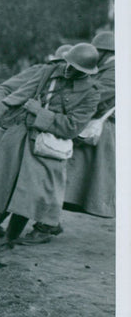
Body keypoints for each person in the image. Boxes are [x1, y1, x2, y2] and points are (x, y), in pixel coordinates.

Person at [0, 43, 101, 264]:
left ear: (86, 72)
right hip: (16, 140)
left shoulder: (91, 94)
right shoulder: (48, 72)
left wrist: (39, 112)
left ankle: (5, 248)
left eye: (75, 67)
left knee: (26, 203)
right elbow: (15, 97)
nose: (68, 69)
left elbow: (71, 128)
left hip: (46, 153)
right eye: (68, 63)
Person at [0, 44, 73, 238]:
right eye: (63, 65)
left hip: (42, 141)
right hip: (14, 130)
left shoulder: (77, 87)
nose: (66, 71)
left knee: (26, 186)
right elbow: (3, 88)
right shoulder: (40, 72)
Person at [20, 32, 116, 244]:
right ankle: (49, 222)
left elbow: (94, 96)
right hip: (84, 126)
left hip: (93, 132)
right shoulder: (108, 69)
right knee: (61, 176)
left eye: (97, 51)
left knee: (61, 176)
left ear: (106, 52)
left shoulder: (116, 71)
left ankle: (47, 225)